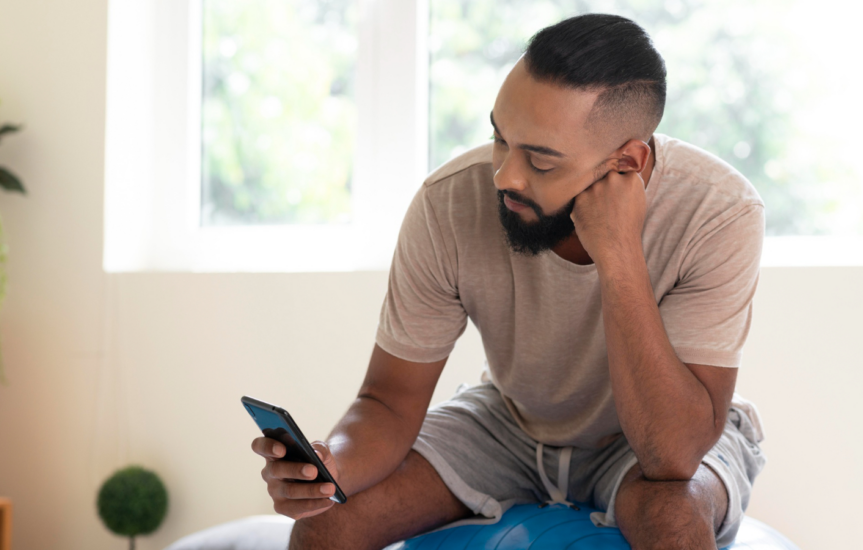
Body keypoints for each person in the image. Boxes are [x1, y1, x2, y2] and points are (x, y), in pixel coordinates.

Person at [252, 13, 767, 550]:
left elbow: (674, 454)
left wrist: (619, 256)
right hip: (508, 424)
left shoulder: (719, 211)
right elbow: (389, 401)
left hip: (651, 442)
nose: (504, 176)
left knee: (674, 518)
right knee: (325, 526)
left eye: (541, 162)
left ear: (628, 162)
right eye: (501, 138)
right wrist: (329, 467)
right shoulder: (447, 201)